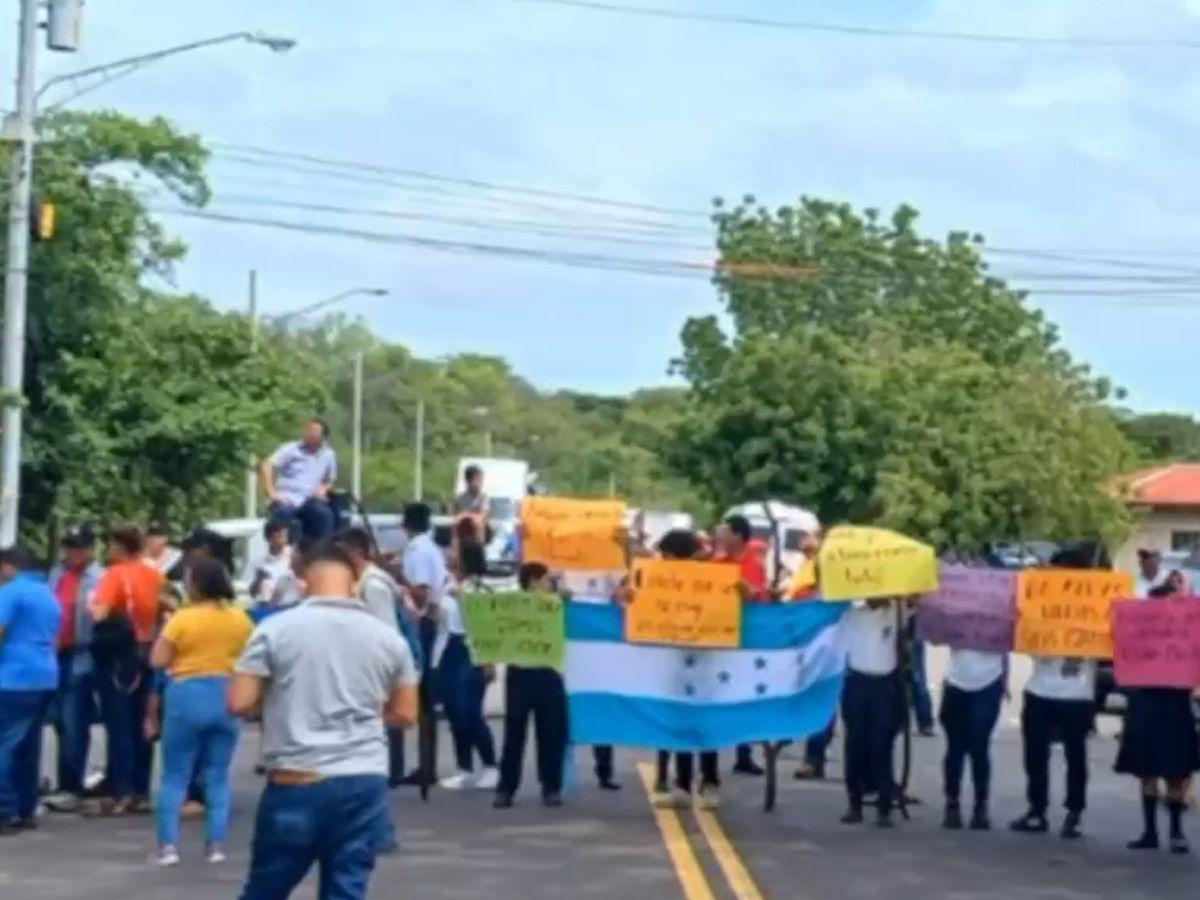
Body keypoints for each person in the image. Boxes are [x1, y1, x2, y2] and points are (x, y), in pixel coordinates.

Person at [230, 540, 419, 900]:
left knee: (265, 890)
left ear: (303, 581)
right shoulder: (390, 639)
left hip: (297, 778)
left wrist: (280, 701)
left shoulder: (274, 630)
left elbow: (240, 702)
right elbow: (406, 713)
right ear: (354, 583)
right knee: (346, 889)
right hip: (364, 781)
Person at [149, 559, 252, 866]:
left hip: (186, 694)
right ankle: (215, 845)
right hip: (226, 693)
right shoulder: (240, 618)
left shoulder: (183, 618)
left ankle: (168, 847)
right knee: (217, 775)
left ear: (195, 585)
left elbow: (157, 659)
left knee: (175, 775)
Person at [1010, 543, 1106, 840]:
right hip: (1041, 689)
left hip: (1075, 695)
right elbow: (1027, 640)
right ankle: (1039, 810)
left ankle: (1071, 811)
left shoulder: (1096, 608)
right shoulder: (1043, 603)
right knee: (1037, 755)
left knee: (1074, 756)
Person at [1115, 569, 1199, 854]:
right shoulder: (1143, 628)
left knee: (1169, 773)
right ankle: (1158, 832)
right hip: (1154, 704)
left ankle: (1167, 831)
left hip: (1168, 705)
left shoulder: (1189, 628)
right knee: (1151, 772)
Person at [87, 523, 165, 816]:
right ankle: (141, 790)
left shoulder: (115, 574)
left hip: (120, 654)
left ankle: (122, 789)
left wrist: (94, 607)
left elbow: (99, 611)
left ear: (120, 547)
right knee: (141, 722)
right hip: (147, 651)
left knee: (118, 724)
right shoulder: (153, 574)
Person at [337, 526, 419, 794]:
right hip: (368, 659)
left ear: (357, 552)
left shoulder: (373, 585)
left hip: (379, 662)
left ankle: (390, 770)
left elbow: (386, 630)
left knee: (385, 716)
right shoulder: (362, 581)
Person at [648, 529, 721, 810]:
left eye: (664, 555)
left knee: (704, 723)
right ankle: (682, 784)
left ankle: (710, 782)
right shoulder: (660, 581)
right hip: (675, 658)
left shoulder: (709, 578)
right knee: (679, 721)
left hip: (704, 659)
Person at [494, 562, 570, 809]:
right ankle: (506, 789)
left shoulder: (556, 604)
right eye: (546, 578)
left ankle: (551, 787)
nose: (550, 582)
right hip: (520, 673)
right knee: (514, 733)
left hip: (549, 672)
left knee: (551, 734)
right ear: (534, 580)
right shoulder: (513, 604)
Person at [0, 545, 61, 834]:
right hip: (44, 675)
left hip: (14, 676)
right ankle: (26, 806)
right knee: (29, 745)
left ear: (6, 566)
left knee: (6, 744)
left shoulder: (12, 591)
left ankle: (5, 808)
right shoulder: (46, 592)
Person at [44, 525, 103, 813]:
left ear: (91, 550)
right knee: (57, 720)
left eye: (78, 548)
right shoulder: (57, 574)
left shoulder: (99, 578)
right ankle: (62, 782)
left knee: (74, 720)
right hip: (53, 654)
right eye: (69, 547)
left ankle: (71, 785)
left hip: (82, 653)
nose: (72, 553)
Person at [397, 502, 449, 787]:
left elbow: (420, 594)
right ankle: (426, 765)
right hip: (428, 623)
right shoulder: (429, 548)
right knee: (424, 699)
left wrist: (396, 576)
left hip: (422, 624)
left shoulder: (418, 550)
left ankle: (426, 766)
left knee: (423, 698)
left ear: (405, 525)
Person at [840, 599, 903, 828]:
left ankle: (884, 805)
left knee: (882, 745)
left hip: (885, 684)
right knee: (855, 744)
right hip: (856, 680)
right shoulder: (851, 607)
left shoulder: (896, 607)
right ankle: (854, 802)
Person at [939, 644, 1007, 831]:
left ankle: (975, 806)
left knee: (974, 747)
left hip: (984, 680)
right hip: (960, 681)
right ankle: (957, 804)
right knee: (959, 748)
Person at [724, 514, 768, 777]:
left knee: (743, 694)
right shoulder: (717, 562)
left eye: (725, 532)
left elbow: (759, 598)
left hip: (745, 638)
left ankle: (744, 752)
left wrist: (749, 594)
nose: (720, 536)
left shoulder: (752, 564)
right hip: (718, 636)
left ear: (739, 536)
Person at [261, 418, 338, 543]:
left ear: (323, 436)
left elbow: (330, 480)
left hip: (310, 499)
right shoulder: (291, 449)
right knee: (281, 516)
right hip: (287, 497)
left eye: (314, 431)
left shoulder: (328, 454)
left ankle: (323, 553)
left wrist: (324, 488)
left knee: (324, 514)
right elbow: (267, 464)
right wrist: (271, 493)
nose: (310, 433)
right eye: (308, 430)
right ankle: (280, 553)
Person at [453, 464, 489, 582]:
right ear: (469, 480)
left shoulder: (483, 498)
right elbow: (456, 520)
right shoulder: (460, 499)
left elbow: (481, 516)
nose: (480, 483)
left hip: (478, 542)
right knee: (464, 575)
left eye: (481, 480)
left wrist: (466, 515)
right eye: (477, 480)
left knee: (479, 575)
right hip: (464, 543)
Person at [249, 519, 293, 607]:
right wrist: (258, 580)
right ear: (268, 538)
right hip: (266, 607)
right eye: (277, 532)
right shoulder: (259, 561)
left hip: (289, 606)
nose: (282, 534)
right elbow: (252, 594)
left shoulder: (294, 557)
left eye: (284, 532)